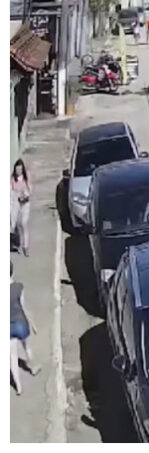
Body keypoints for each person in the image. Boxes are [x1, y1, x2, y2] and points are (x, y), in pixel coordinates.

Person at [11, 263, 41, 395]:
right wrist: (33, 324)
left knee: (12, 356)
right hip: (21, 323)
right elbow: (24, 307)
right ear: (12, 272)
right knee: (26, 347)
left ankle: (18, 386)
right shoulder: (18, 287)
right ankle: (33, 368)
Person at [10, 159, 30, 257]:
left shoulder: (26, 178)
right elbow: (12, 191)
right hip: (17, 203)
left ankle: (25, 246)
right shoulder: (12, 179)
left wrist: (26, 194)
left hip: (25, 204)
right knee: (18, 224)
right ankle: (20, 244)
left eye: (20, 170)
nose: (18, 172)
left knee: (24, 223)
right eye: (17, 170)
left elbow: (30, 190)